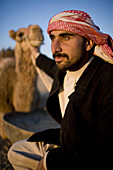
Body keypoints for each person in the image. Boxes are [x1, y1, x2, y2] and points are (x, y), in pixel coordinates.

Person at [8, 10, 113, 170]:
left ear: (88, 43)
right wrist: (35, 54)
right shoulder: (66, 70)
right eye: (52, 38)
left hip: (90, 152)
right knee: (16, 151)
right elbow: (48, 65)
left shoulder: (107, 79)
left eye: (66, 37)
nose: (55, 47)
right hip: (70, 138)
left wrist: (50, 161)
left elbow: (105, 151)